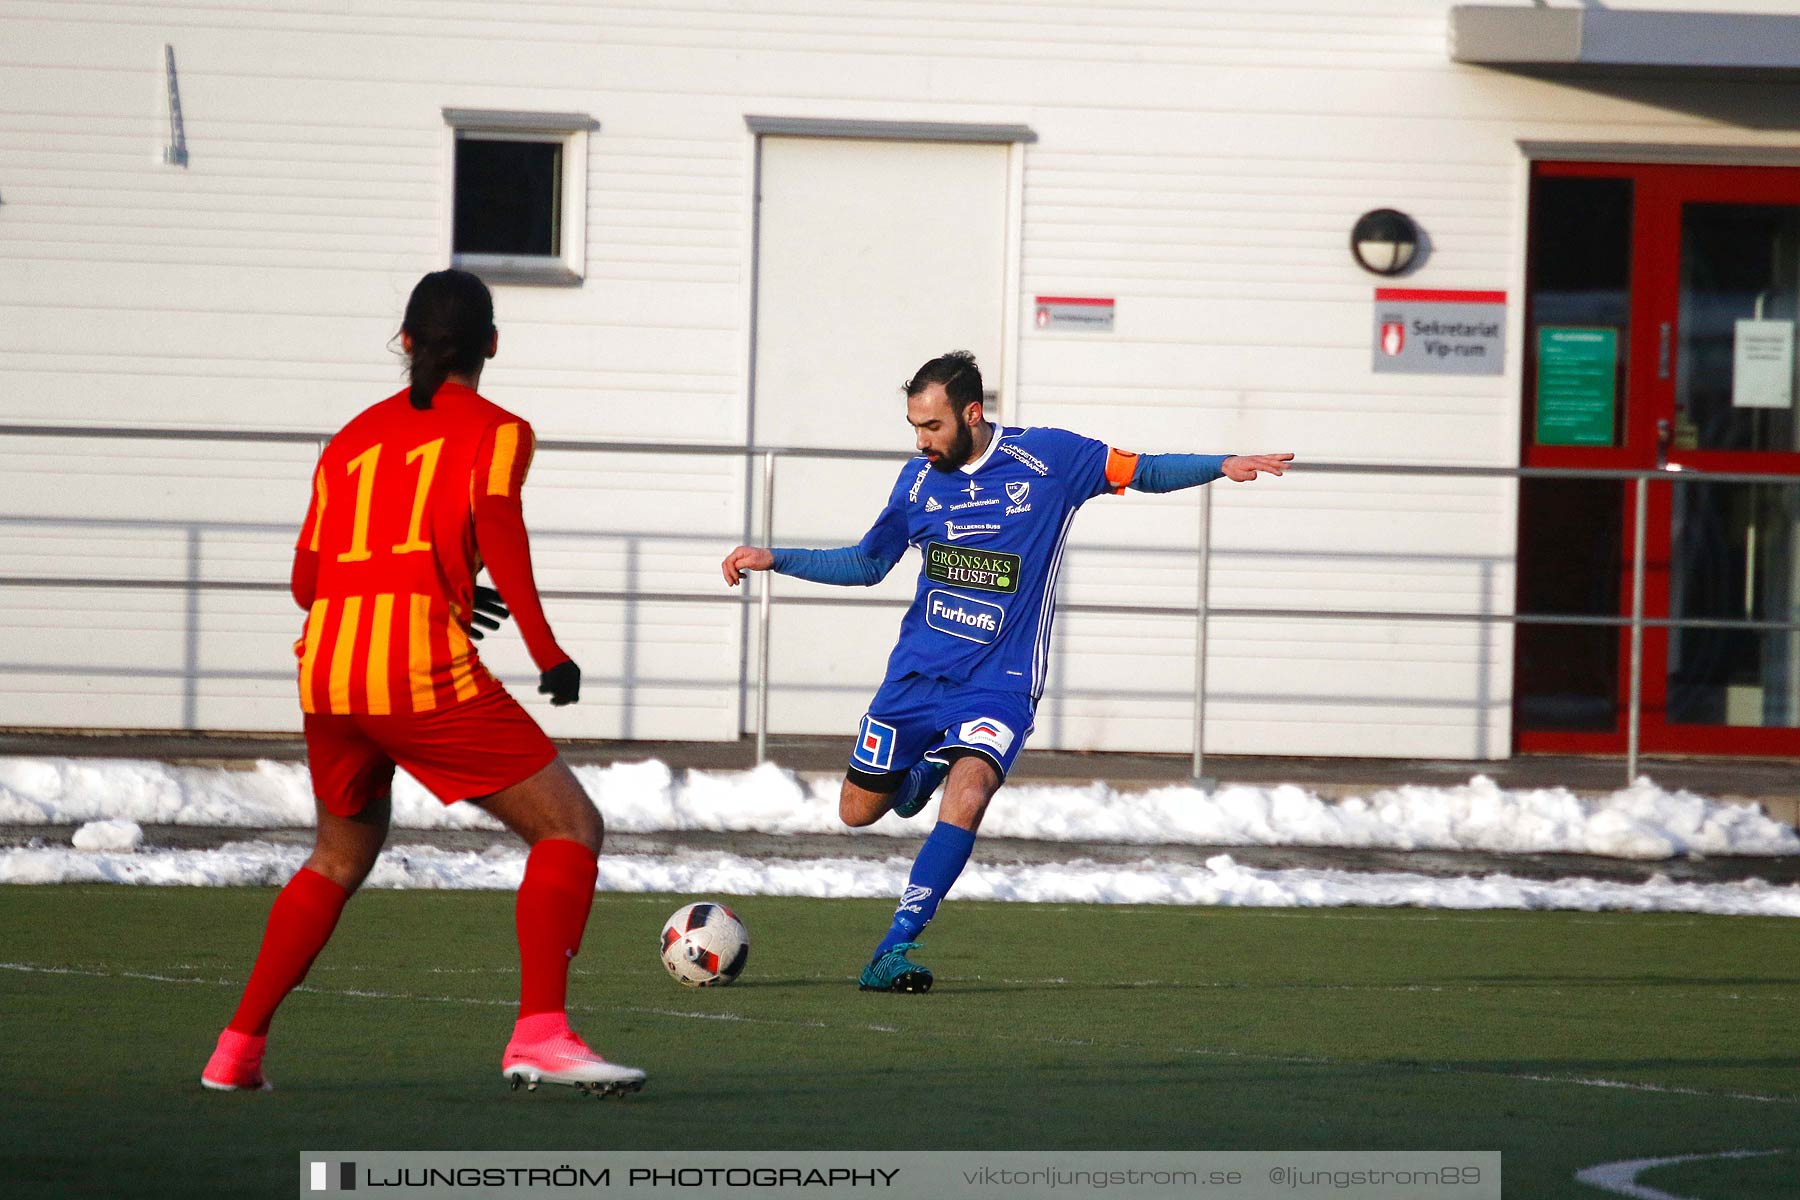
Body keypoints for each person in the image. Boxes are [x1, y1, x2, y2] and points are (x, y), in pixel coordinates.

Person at [721, 351, 1291, 993]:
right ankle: (918, 773)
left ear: (971, 413)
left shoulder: (1049, 460)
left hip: (1001, 682)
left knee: (968, 797)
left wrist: (1221, 466)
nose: (921, 441)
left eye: (931, 426)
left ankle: (893, 947)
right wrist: (777, 558)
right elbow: (866, 564)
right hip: (914, 680)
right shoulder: (915, 484)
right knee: (858, 812)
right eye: (914, 426)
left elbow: (1142, 469)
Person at [201, 269, 644, 1095]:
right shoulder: (498, 431)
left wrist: (427, 582)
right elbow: (499, 529)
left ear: (404, 342)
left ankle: (237, 1050)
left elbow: (309, 582)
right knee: (569, 826)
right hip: (416, 673)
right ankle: (541, 1034)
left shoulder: (346, 440)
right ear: (493, 345)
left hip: (330, 675)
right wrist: (547, 650)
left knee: (337, 856)